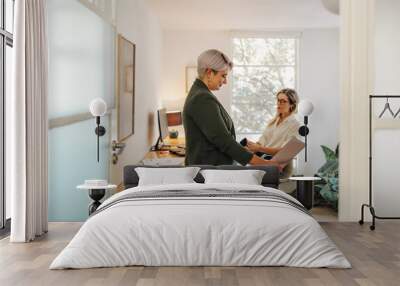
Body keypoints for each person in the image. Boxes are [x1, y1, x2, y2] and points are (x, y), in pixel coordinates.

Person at [182, 49, 280, 168]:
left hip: (212, 170)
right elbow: (224, 141)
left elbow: (216, 139)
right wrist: (266, 164)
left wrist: (241, 150)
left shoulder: (200, 93)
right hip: (210, 174)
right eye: (223, 76)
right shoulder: (202, 98)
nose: (225, 81)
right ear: (209, 72)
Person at [246, 88, 301, 176]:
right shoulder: (272, 122)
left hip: (281, 167)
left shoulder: (295, 125)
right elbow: (262, 141)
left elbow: (286, 151)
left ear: (292, 105)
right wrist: (251, 147)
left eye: (283, 101)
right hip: (266, 162)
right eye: (278, 100)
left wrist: (259, 148)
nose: (279, 104)